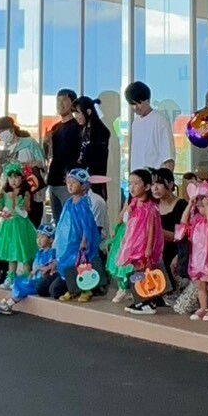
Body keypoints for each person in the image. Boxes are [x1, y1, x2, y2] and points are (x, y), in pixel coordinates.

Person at [115, 168, 165, 315]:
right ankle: (140, 300)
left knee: (145, 272)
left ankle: (148, 302)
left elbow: (152, 229)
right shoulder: (134, 204)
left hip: (143, 246)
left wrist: (149, 248)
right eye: (130, 183)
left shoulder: (150, 207)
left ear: (147, 186)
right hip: (134, 245)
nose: (132, 187)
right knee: (137, 272)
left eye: (136, 183)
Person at [54, 169, 105, 302]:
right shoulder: (69, 202)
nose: (70, 185)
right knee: (69, 265)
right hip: (69, 242)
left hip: (79, 241)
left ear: (83, 186)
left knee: (82, 265)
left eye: (74, 183)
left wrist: (84, 240)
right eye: (68, 182)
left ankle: (86, 290)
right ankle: (72, 289)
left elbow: (87, 224)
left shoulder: (83, 203)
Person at [0, 116, 48, 229]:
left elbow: (41, 163)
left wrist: (24, 166)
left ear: (12, 129)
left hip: (32, 192)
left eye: (3, 130)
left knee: (32, 226)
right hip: (14, 197)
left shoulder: (29, 143)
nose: (1, 134)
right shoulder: (5, 152)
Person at [177, 179, 208, 321]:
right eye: (199, 205)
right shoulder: (196, 218)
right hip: (196, 257)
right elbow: (183, 221)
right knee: (200, 284)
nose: (201, 208)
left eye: (204, 205)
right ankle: (203, 307)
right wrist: (190, 204)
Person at [0, 163, 39, 279]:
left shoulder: (25, 193)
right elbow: (0, 208)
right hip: (8, 226)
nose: (13, 180)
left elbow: (25, 211)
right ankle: (11, 275)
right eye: (10, 177)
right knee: (11, 252)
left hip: (21, 226)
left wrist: (14, 203)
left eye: (16, 177)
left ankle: (26, 276)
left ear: (22, 178)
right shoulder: (6, 193)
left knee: (24, 251)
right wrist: (0, 199)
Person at [125, 80, 176, 175]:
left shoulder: (159, 119)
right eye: (132, 104)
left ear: (148, 100)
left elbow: (168, 155)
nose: (135, 107)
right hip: (137, 178)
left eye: (138, 103)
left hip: (155, 178)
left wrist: (166, 180)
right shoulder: (135, 123)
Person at [45, 89, 82, 220]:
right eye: (58, 101)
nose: (60, 104)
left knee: (70, 221)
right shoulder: (55, 128)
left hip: (68, 183)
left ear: (73, 103)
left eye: (64, 100)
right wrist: (45, 143)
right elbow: (48, 155)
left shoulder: (78, 126)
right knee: (58, 222)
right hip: (53, 180)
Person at [152, 167, 188, 286]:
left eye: (159, 183)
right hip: (156, 254)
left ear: (171, 184)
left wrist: (158, 231)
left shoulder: (182, 205)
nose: (155, 188)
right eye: (152, 184)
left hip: (176, 253)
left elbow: (183, 237)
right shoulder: (152, 206)